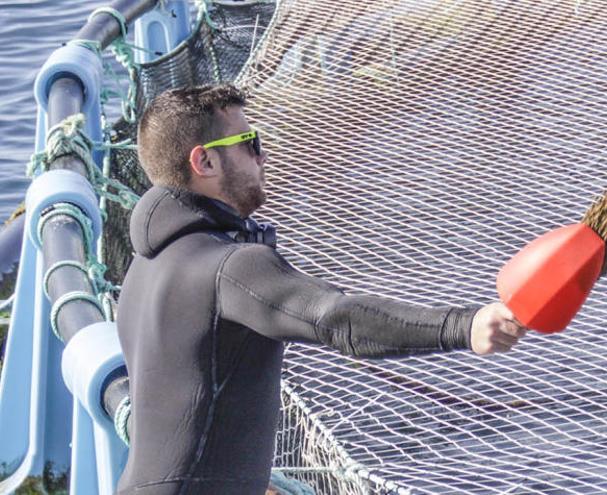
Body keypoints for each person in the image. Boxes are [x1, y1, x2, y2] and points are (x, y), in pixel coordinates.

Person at [115, 84, 530, 495]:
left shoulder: (143, 270)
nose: (262, 156)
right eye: (249, 142)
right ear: (204, 161)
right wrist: (465, 326)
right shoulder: (230, 265)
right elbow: (334, 318)